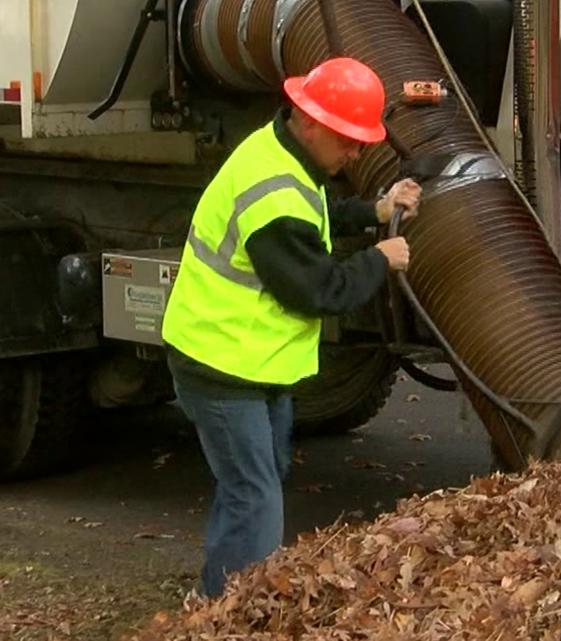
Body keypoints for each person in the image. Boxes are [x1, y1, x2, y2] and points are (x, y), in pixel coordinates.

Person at [160, 57, 421, 598]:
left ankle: (216, 597)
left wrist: (375, 210)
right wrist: (380, 258)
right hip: (222, 363)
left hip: (246, 359)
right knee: (255, 497)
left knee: (253, 482)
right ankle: (231, 613)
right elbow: (320, 290)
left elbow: (315, 214)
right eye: (348, 140)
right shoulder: (275, 194)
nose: (355, 153)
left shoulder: (283, 155)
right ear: (309, 122)